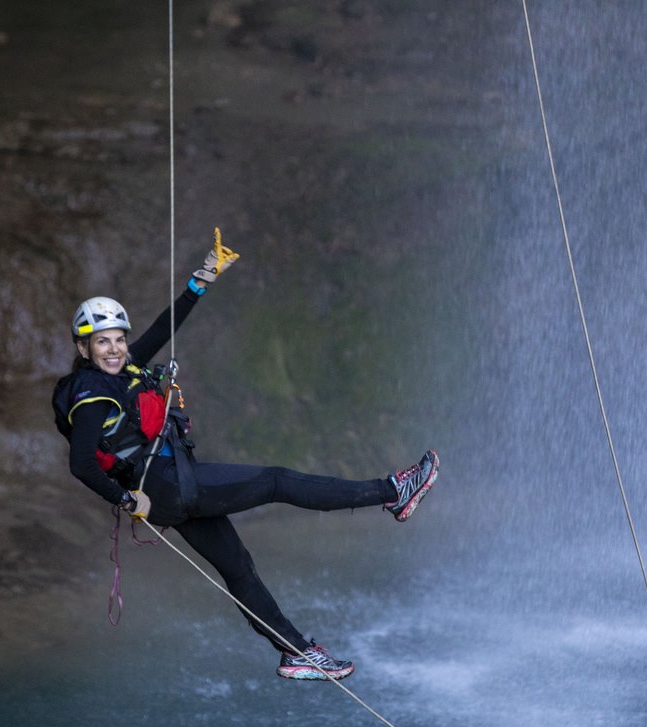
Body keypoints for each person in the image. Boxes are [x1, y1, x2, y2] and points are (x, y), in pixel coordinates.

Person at [52, 232, 437, 681]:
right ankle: (393, 493)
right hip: (166, 486)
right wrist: (124, 500)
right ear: (83, 349)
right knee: (275, 480)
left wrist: (201, 280)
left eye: (119, 339)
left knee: (238, 568)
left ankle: (295, 652)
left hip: (172, 484)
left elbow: (162, 328)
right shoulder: (92, 394)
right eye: (102, 342)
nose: (115, 349)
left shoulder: (119, 370)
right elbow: (81, 463)